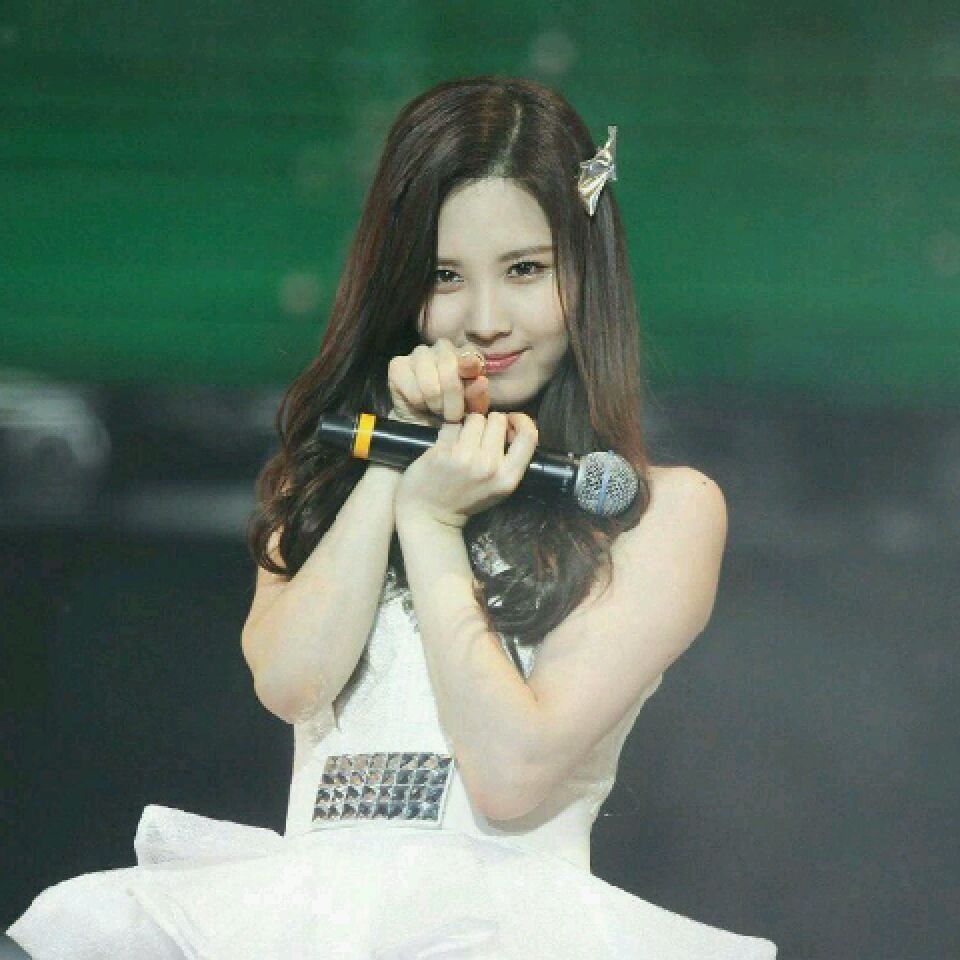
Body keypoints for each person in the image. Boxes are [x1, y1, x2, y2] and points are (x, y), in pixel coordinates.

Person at [6, 75, 777, 959]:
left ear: (586, 271)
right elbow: (292, 681)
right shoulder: (325, 478)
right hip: (296, 921)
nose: (486, 320)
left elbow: (510, 771)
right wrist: (395, 457)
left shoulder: (660, 510)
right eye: (445, 276)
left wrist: (436, 529)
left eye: (525, 270)